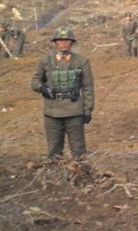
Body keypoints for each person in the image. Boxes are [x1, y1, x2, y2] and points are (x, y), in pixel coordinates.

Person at [30, 26, 95, 161]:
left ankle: (80, 177)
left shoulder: (82, 61)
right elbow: (35, 81)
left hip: (74, 111)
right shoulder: (45, 61)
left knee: (79, 151)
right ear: (55, 42)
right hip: (52, 111)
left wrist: (88, 110)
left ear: (72, 42)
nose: (64, 43)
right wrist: (43, 89)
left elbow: (88, 86)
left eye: (67, 40)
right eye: (60, 40)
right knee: (54, 150)